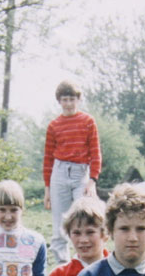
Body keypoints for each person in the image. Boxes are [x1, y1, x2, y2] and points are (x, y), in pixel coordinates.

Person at [43, 80, 101, 264]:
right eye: (64, 99)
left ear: (78, 99)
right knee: (60, 225)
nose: (68, 103)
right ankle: (63, 267)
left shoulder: (88, 121)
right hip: (59, 173)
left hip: (80, 173)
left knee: (84, 217)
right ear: (59, 101)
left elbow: (95, 152)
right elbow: (48, 159)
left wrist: (92, 180)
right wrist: (47, 189)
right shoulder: (54, 126)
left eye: (71, 99)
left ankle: (87, 263)